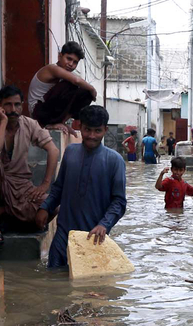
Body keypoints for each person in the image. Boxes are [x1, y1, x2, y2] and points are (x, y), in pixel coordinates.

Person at [35, 105, 127, 268]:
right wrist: (45, 207)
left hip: (93, 238)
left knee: (88, 288)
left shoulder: (115, 161)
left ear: (105, 130)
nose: (91, 136)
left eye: (97, 131)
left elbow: (119, 202)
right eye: (87, 130)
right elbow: (59, 188)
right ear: (79, 127)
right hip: (64, 234)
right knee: (52, 278)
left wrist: (104, 225)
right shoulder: (70, 152)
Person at [0, 85, 60, 244]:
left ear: (22, 105)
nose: (13, 109)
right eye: (8, 105)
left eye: (17, 105)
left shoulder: (30, 124)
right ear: (0, 106)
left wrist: (44, 185)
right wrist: (3, 122)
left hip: (20, 186)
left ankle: (4, 212)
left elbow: (53, 151)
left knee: (52, 206)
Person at [27, 42, 97, 135]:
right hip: (38, 112)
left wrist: (89, 92)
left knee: (85, 93)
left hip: (49, 110)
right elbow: (76, 80)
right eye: (69, 59)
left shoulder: (65, 75)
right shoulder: (52, 68)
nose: (71, 64)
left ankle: (61, 121)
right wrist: (93, 89)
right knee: (71, 85)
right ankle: (50, 123)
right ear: (60, 56)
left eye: (75, 62)